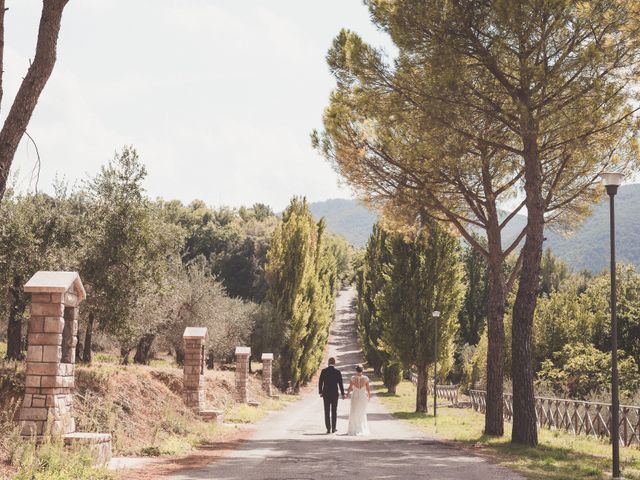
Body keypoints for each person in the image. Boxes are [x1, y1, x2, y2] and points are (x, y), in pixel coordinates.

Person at [318, 357, 345, 433]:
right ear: (334, 363)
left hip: (326, 393)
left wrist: (320, 392)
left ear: (328, 362)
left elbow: (320, 382)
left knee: (326, 411)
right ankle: (333, 428)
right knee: (334, 411)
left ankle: (328, 428)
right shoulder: (337, 372)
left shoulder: (324, 371)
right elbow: (340, 384)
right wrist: (343, 394)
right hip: (334, 394)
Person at [346, 364, 370, 436]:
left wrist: (347, 394)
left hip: (355, 396)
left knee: (353, 411)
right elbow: (368, 389)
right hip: (362, 397)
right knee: (361, 412)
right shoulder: (365, 378)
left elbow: (350, 388)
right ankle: (361, 428)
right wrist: (369, 395)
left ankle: (353, 429)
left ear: (356, 370)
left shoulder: (353, 378)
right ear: (362, 370)